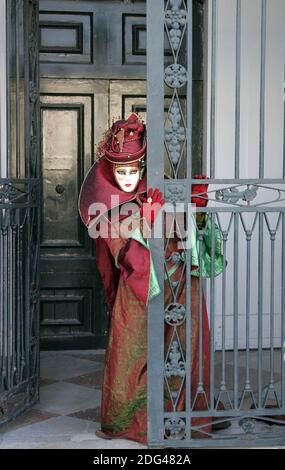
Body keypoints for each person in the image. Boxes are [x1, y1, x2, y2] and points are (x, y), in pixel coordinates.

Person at [78, 113, 224, 444]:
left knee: (181, 348)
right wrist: (146, 226)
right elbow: (124, 255)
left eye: (134, 170)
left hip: (180, 288)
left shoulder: (162, 188)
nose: (129, 178)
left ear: (144, 167)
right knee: (137, 353)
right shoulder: (108, 207)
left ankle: (187, 415)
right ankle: (136, 421)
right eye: (122, 171)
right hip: (138, 293)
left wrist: (196, 209)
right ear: (111, 169)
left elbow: (187, 241)